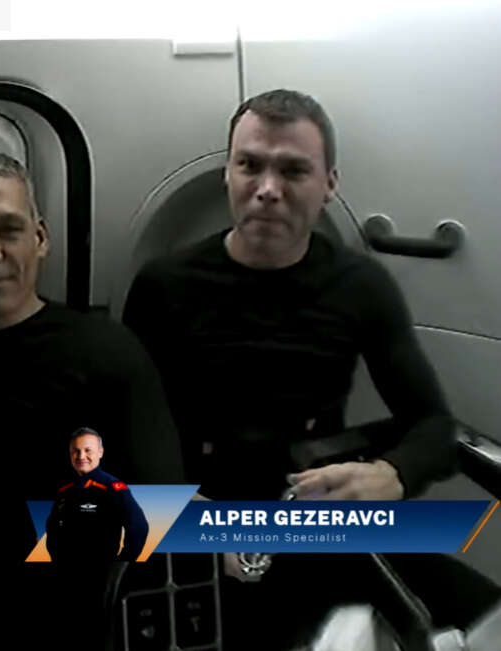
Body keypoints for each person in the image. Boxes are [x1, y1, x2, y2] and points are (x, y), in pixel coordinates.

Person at [121, 89, 492, 648]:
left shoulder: (359, 286)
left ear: (329, 184)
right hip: (202, 523)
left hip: (320, 517)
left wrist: (391, 473)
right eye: (250, 166)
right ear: (228, 173)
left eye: (293, 170)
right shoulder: (163, 287)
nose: (268, 189)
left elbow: (434, 425)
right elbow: (126, 435)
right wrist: (177, 510)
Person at [0, 151, 182, 650]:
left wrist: (292, 531)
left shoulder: (105, 353)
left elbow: (165, 513)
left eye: (8, 230)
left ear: (40, 238)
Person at [46, 428, 148, 562]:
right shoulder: (65, 491)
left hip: (101, 569)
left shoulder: (112, 488)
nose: (81, 456)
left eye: (88, 450)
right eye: (76, 451)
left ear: (100, 452)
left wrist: (122, 563)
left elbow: (138, 526)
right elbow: (52, 529)